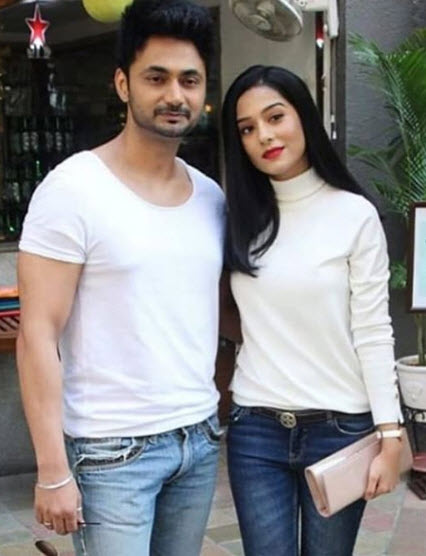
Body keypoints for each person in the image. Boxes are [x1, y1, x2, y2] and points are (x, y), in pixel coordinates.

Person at [17, 1, 225, 555]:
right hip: (111, 452)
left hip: (199, 438)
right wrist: (52, 470)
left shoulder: (210, 197)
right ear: (122, 84)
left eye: (189, 80)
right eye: (156, 78)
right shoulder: (73, 190)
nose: (175, 94)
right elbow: (37, 333)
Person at [220, 65, 404, 556]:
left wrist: (390, 434)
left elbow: (373, 330)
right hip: (256, 430)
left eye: (275, 116)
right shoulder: (238, 218)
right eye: (247, 128)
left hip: (340, 431)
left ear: (303, 115)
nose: (264, 135)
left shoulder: (354, 215)